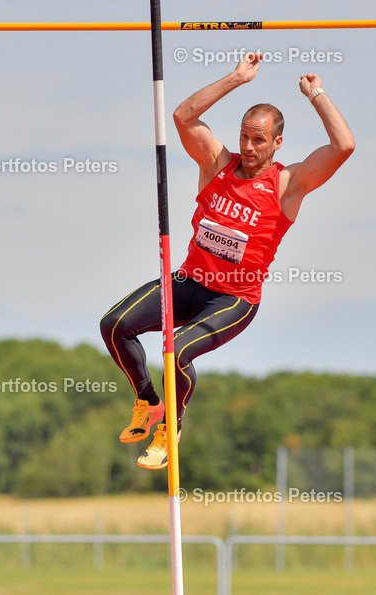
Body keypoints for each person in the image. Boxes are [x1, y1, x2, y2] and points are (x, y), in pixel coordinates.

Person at [100, 52, 354, 469]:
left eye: (259, 140)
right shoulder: (216, 164)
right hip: (189, 282)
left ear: (277, 143)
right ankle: (148, 402)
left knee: (176, 351)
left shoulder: (287, 185)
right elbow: (183, 116)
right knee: (114, 326)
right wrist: (237, 78)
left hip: (233, 301)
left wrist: (317, 95)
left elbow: (344, 146)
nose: (249, 147)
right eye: (245, 136)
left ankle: (172, 429)